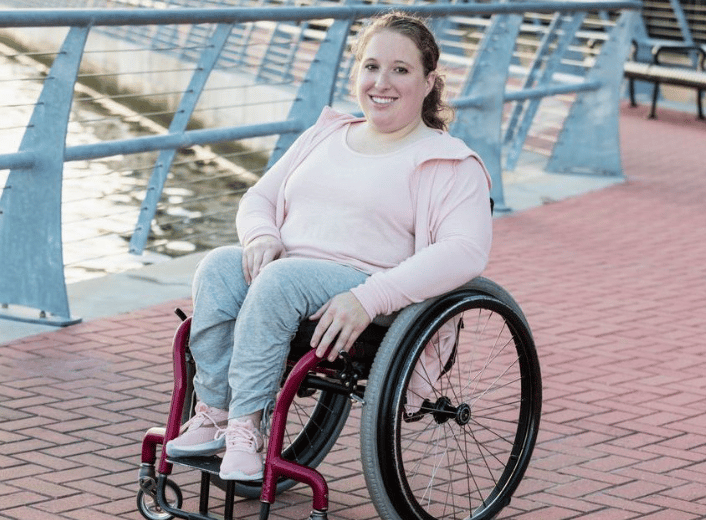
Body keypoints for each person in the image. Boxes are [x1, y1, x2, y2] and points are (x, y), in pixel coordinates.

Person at [164, 11, 493, 481]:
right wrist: (262, 235)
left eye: (401, 69)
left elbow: (466, 250)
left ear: (428, 82)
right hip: (289, 273)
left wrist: (369, 297)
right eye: (372, 66)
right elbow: (259, 197)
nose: (382, 82)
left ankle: (246, 429)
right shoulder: (327, 134)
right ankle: (215, 412)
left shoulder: (447, 161)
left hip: (371, 288)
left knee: (280, 279)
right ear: (357, 73)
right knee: (219, 266)